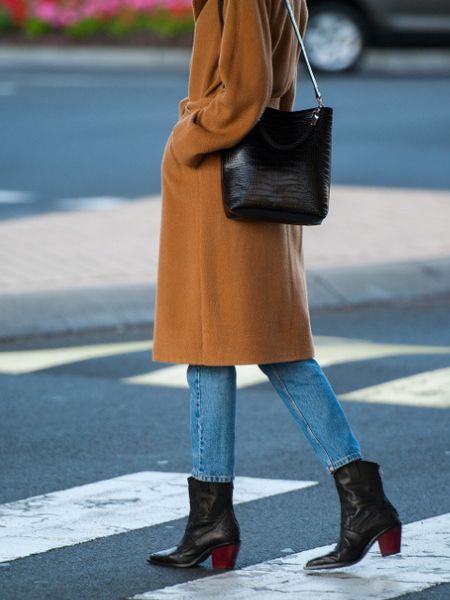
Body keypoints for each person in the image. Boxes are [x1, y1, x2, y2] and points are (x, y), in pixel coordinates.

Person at [149, 0, 401, 571]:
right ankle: (351, 502)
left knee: (231, 348)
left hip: (223, 188)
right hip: (255, 184)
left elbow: (242, 94)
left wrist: (186, 135)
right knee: (246, 350)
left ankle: (224, 519)